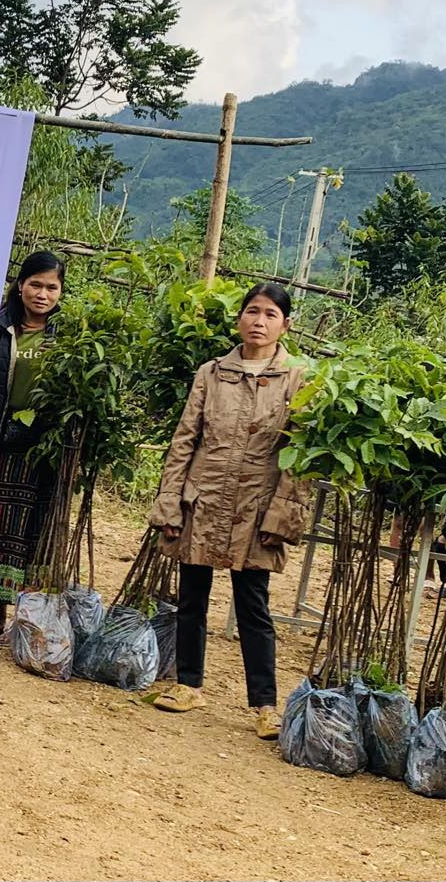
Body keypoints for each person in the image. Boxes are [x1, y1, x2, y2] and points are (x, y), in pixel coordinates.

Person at [149, 283, 310, 740]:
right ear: (239, 318)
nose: (259, 321)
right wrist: (170, 499)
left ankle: (265, 705)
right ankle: (187, 684)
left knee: (253, 605)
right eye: (252, 312)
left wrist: (282, 515)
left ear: (285, 324)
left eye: (271, 315)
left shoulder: (298, 379)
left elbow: (299, 455)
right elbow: (186, 439)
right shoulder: (212, 373)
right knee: (192, 595)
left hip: (256, 504)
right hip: (205, 496)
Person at [0, 251, 66, 638]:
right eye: (35, 284)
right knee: (2, 531)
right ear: (20, 285)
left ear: (60, 292)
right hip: (6, 444)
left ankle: (28, 619)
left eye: (51, 287)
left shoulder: (68, 335)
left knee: (38, 530)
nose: (42, 293)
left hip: (49, 450)